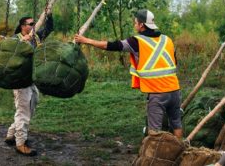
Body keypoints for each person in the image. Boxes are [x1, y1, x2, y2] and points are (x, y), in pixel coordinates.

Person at [74, 9, 182, 139]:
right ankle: (180, 152)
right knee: (176, 124)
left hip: (157, 93)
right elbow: (174, 63)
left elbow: (112, 46)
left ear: (141, 25)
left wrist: (86, 40)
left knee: (154, 132)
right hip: (175, 90)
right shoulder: (167, 40)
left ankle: (155, 158)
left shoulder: (136, 42)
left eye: (135, 22)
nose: (134, 24)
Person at [4, 11, 54, 156]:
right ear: (22, 26)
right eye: (31, 24)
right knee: (23, 112)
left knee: (29, 108)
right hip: (20, 80)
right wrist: (23, 41)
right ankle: (21, 144)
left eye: (34, 23)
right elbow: (8, 54)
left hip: (32, 79)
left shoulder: (36, 36)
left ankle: (11, 134)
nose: (33, 26)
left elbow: (49, 29)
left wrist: (49, 15)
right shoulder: (15, 39)